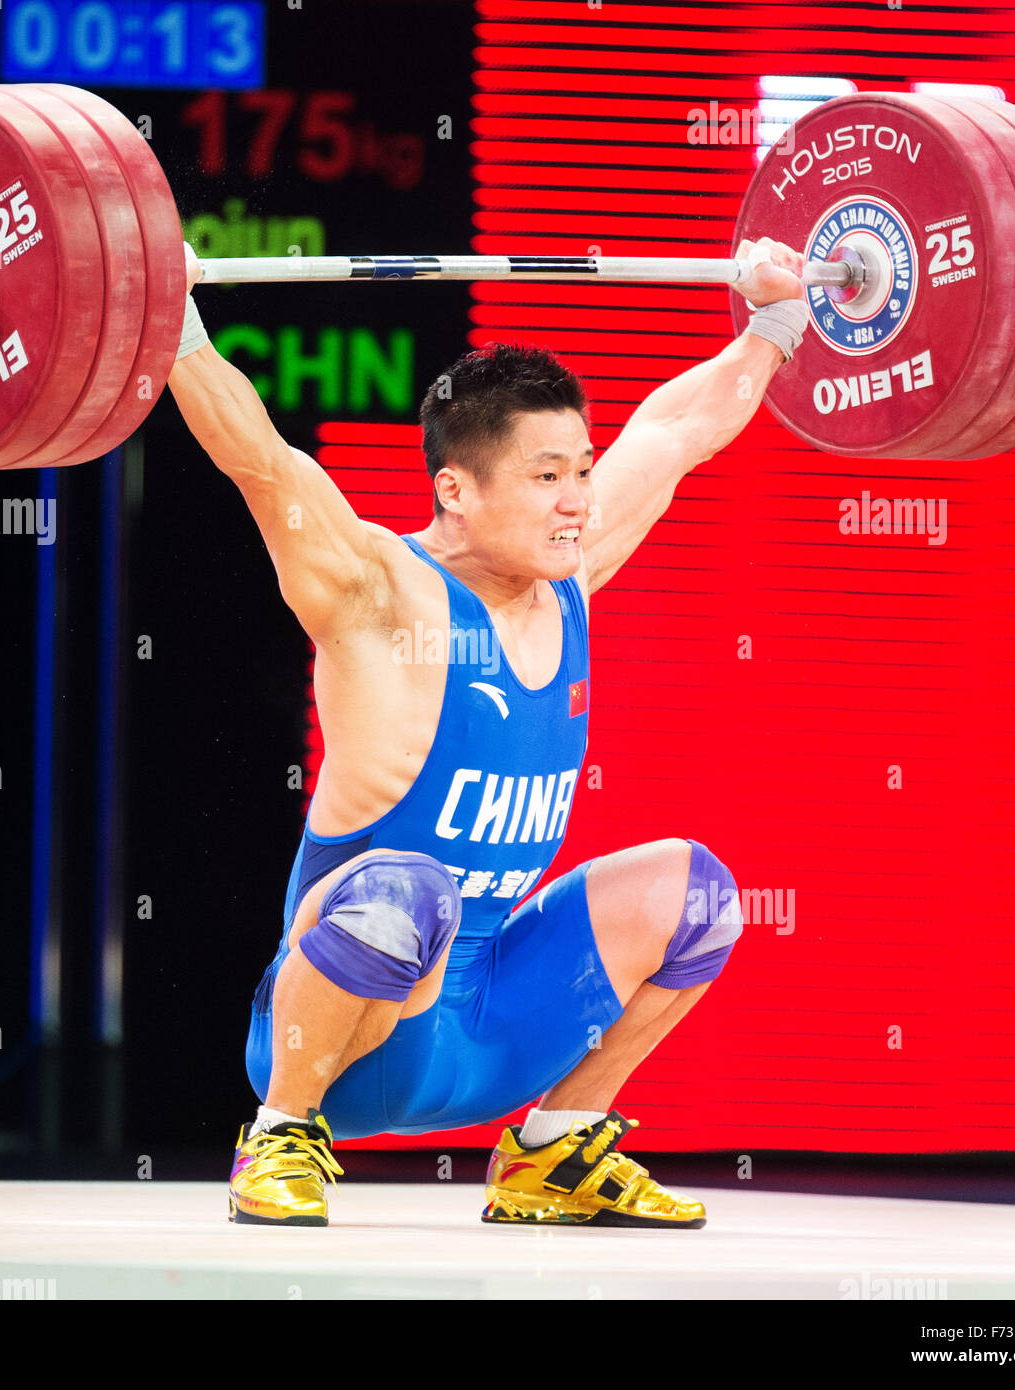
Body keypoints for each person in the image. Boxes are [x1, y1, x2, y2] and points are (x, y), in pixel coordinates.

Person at [168, 238, 808, 1228]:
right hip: (357, 1032)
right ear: (455, 489)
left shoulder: (569, 571)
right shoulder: (378, 592)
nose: (577, 499)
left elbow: (677, 427)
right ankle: (280, 1134)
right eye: (548, 474)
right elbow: (258, 459)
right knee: (408, 886)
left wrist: (776, 321)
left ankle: (553, 1151)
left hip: (485, 1035)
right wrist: (168, 318)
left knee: (700, 892)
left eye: (581, 470)